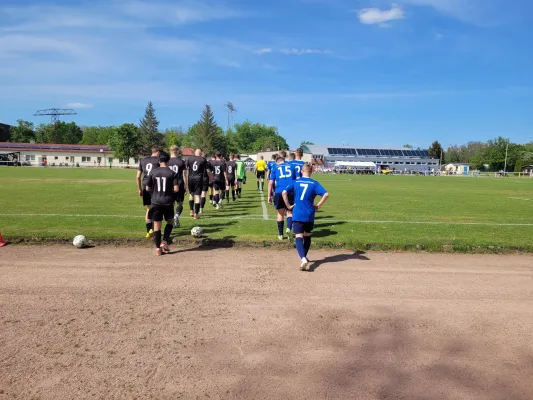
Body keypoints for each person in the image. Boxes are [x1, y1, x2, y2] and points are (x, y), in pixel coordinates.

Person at [282, 163, 329, 271]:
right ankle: (304, 258)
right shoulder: (314, 183)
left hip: (297, 212)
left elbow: (284, 192)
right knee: (307, 236)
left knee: (299, 236)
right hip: (309, 213)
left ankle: (303, 258)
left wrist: (288, 206)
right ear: (311, 172)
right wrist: (318, 205)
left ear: (302, 171)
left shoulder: (296, 182)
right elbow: (326, 194)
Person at [146, 152, 179, 256]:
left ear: (159, 161)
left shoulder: (153, 172)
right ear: (168, 161)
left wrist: (154, 194)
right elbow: (176, 189)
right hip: (168, 201)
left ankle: (157, 249)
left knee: (156, 224)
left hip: (155, 202)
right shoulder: (172, 173)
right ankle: (164, 241)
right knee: (170, 221)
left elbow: (147, 188)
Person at [267, 155, 294, 240]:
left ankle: (280, 235)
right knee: (289, 212)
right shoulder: (291, 166)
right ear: (284, 161)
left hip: (279, 191)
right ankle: (289, 228)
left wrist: (269, 196)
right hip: (290, 191)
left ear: (276, 162)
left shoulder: (275, 168)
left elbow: (271, 183)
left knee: (280, 213)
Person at [136, 147, 160, 238]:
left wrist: (139, 189)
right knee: (155, 209)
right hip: (154, 187)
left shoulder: (143, 160)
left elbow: (138, 177)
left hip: (145, 186)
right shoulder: (158, 160)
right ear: (157, 152)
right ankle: (154, 230)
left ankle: (148, 231)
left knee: (149, 209)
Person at [185, 148, 208, 220]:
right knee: (197, 196)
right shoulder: (203, 159)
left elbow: (185, 168)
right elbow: (207, 169)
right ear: (200, 153)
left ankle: (191, 210)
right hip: (198, 179)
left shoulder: (189, 158)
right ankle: (196, 214)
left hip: (190, 178)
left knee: (191, 194)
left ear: (195, 152)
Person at [168, 145, 187, 228]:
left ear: (170, 151)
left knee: (171, 204)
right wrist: (186, 186)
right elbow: (184, 175)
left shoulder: (166, 161)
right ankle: (176, 216)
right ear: (177, 151)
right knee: (180, 203)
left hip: (169, 185)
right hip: (179, 184)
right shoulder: (181, 161)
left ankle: (171, 221)